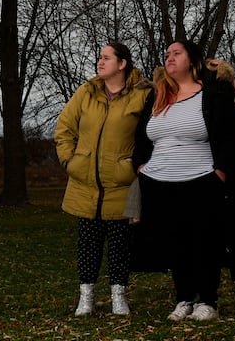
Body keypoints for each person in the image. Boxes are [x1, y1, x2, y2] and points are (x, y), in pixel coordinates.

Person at [131, 39, 235, 321]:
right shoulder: (157, 95)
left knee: (205, 240)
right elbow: (142, 136)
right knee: (175, 242)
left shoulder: (214, 92)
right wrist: (141, 165)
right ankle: (183, 299)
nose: (169, 58)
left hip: (202, 179)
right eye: (167, 54)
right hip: (159, 182)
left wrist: (221, 171)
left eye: (176, 53)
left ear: (192, 60)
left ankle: (208, 302)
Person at [55, 42, 151, 316]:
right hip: (85, 182)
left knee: (121, 244)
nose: (100, 62)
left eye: (106, 58)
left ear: (122, 64)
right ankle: (86, 298)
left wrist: (134, 166)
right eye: (100, 57)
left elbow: (149, 135)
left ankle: (118, 297)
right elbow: (64, 128)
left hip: (121, 182)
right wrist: (69, 161)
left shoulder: (142, 95)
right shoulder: (87, 92)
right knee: (88, 243)